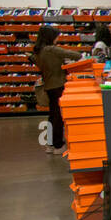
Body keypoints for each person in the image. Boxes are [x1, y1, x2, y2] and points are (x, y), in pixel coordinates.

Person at [32, 24, 82, 154]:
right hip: (58, 85)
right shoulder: (51, 50)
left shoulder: (38, 51)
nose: (57, 39)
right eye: (56, 37)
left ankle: (50, 144)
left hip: (48, 85)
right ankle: (59, 145)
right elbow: (76, 55)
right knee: (58, 117)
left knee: (52, 115)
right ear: (50, 37)